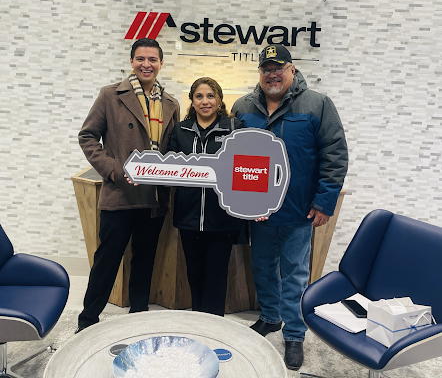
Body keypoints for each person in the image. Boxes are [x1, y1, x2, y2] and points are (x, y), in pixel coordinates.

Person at [231, 44, 348, 371]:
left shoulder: (317, 104)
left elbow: (335, 155)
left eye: (278, 68)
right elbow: (234, 159)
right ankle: (270, 316)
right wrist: (242, 200)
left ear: (291, 70)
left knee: (295, 273)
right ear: (260, 73)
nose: (272, 75)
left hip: (299, 209)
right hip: (259, 211)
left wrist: (324, 202)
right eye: (266, 69)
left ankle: (294, 333)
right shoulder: (243, 107)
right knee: (262, 266)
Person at [76, 38, 180, 332]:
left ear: (161, 63)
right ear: (132, 61)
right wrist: (114, 171)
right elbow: (87, 136)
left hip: (154, 197)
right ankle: (87, 322)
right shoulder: (111, 95)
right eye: (141, 59)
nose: (147, 64)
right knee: (106, 262)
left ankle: (138, 318)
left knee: (145, 261)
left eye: (153, 59)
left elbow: (173, 148)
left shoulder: (171, 103)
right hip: (120, 194)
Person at [166, 77, 244, 316]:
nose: (205, 101)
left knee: (216, 277)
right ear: (192, 100)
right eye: (199, 96)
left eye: (210, 95)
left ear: (219, 99)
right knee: (194, 274)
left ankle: (214, 325)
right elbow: (167, 168)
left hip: (222, 219)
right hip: (188, 218)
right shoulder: (180, 130)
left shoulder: (234, 128)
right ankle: (198, 322)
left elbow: (246, 170)